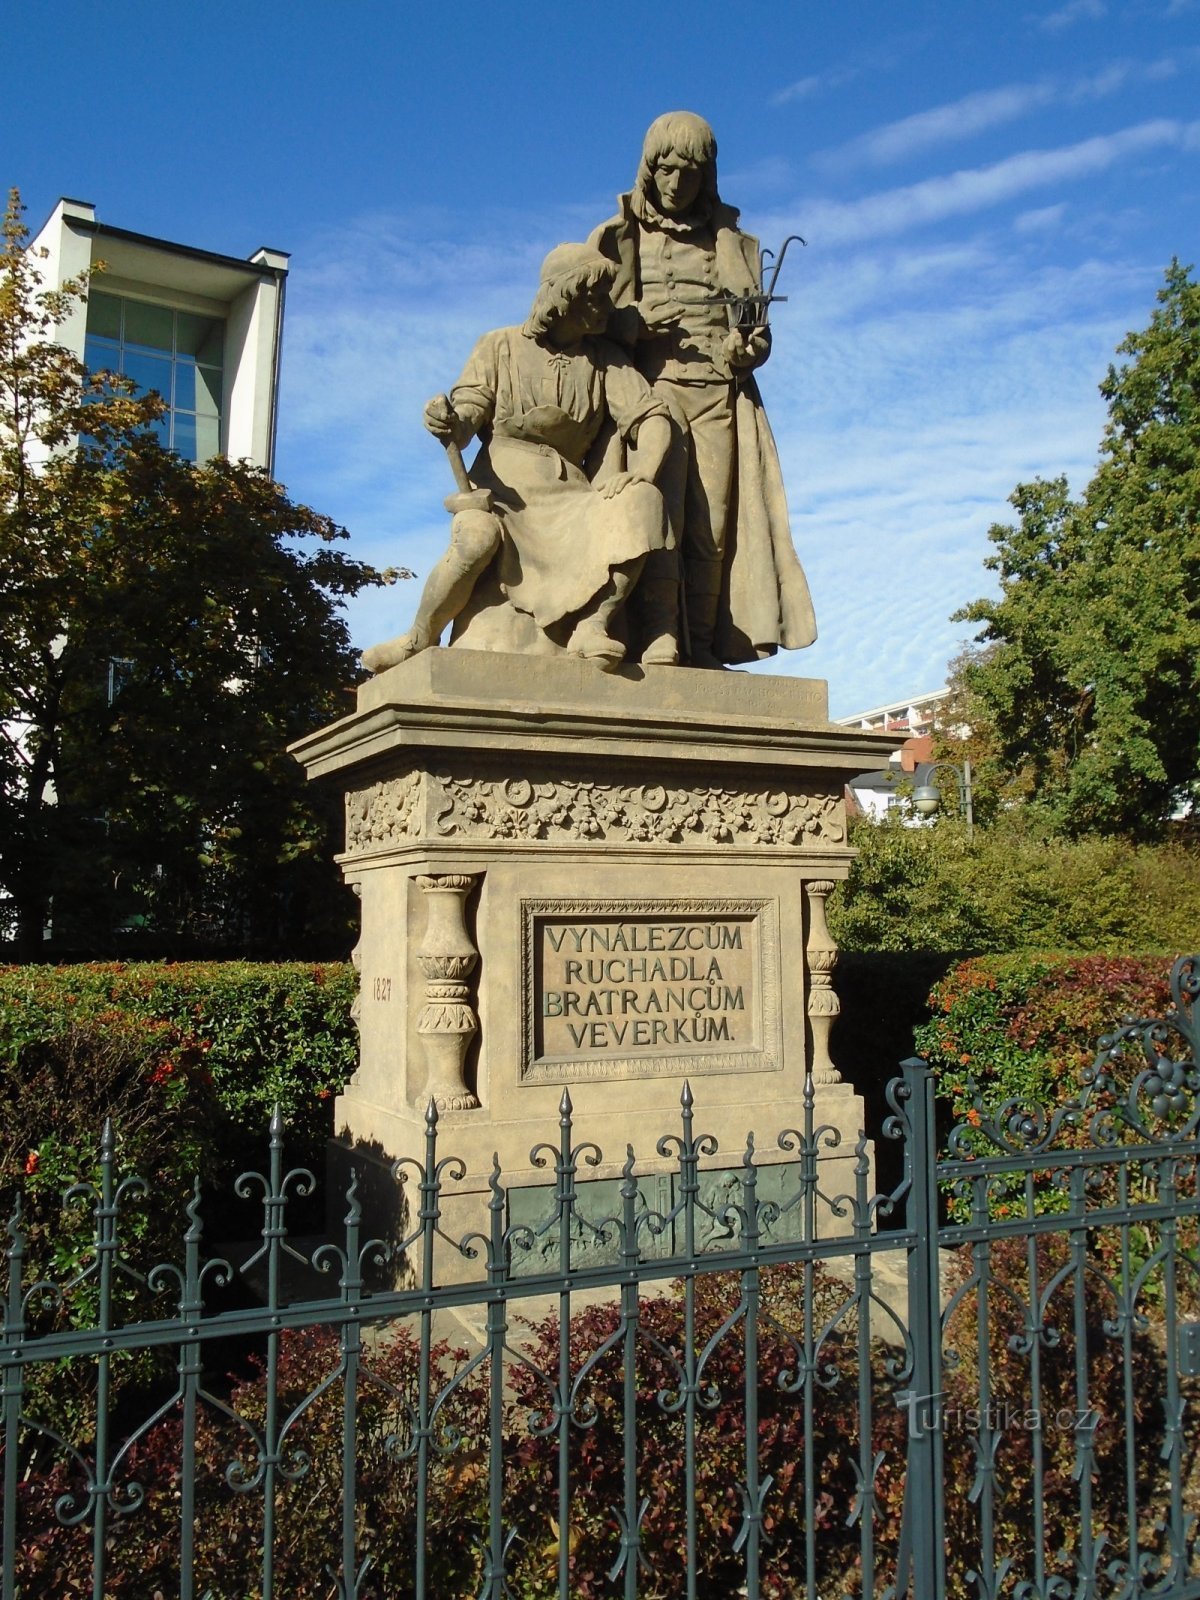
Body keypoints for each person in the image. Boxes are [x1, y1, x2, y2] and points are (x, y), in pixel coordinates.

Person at [362, 244, 675, 674]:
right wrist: (450, 421)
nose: (607, 306)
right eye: (597, 296)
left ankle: (593, 624)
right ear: (564, 296)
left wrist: (641, 474)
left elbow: (652, 416)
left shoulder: (605, 361)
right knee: (475, 540)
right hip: (504, 492)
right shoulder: (498, 346)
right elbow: (470, 410)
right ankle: (419, 638)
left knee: (642, 503)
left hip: (571, 498)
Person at [589, 111, 817, 669]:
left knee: (710, 527)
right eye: (666, 170)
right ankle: (660, 633)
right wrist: (633, 323)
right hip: (649, 394)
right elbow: (583, 318)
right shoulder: (620, 236)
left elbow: (755, 332)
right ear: (648, 170)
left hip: (717, 394)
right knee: (655, 512)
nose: (676, 184)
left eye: (689, 173)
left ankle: (705, 644)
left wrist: (749, 350)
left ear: (706, 175)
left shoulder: (733, 244)